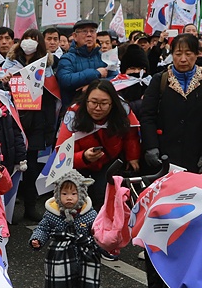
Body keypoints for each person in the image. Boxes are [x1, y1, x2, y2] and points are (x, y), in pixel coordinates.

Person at [140, 34, 202, 173]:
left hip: (194, 153)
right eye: (178, 54)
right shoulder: (160, 80)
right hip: (164, 152)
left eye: (188, 54)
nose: (183, 59)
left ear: (196, 55)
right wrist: (151, 146)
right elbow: (147, 115)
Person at [56, 78, 140, 211]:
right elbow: (61, 153)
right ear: (86, 100)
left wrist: (132, 156)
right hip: (78, 165)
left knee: (104, 197)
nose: (98, 108)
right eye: (93, 102)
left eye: (104, 103)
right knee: (78, 200)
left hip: (109, 162)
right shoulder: (73, 114)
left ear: (112, 103)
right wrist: (83, 157)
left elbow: (131, 134)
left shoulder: (122, 110)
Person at [29, 170, 100, 288]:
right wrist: (37, 239)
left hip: (84, 252)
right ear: (57, 193)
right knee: (59, 283)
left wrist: (102, 244)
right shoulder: (52, 213)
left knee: (85, 283)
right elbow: (43, 228)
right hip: (59, 253)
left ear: (81, 194)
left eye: (74, 193)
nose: (69, 197)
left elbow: (98, 231)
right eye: (64, 193)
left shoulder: (90, 214)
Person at [10, 29, 59, 221]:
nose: (29, 42)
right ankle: (7, 209)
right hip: (15, 121)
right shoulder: (10, 64)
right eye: (26, 39)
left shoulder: (47, 67)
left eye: (34, 39)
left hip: (37, 123)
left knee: (30, 169)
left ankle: (30, 206)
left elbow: (51, 98)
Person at [56, 19, 109, 103]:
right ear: (75, 36)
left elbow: (116, 79)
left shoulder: (104, 57)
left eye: (92, 31)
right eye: (84, 31)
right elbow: (65, 80)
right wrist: (96, 73)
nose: (89, 35)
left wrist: (93, 87)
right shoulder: (67, 58)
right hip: (74, 108)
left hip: (100, 109)